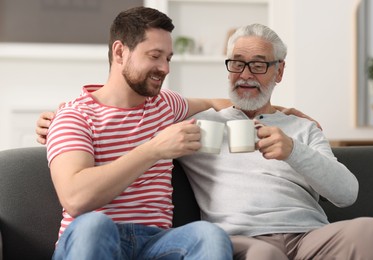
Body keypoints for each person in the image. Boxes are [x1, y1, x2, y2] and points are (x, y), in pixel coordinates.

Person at [176, 23, 373, 259]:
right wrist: (213, 104)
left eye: (258, 65)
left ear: (279, 72)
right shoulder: (203, 126)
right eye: (237, 64)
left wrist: (292, 151)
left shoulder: (303, 128)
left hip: (310, 237)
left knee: (370, 230)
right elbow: (151, 109)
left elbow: (346, 193)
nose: (246, 75)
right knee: (264, 254)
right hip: (244, 239)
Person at [43, 6, 234, 259]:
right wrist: (154, 149)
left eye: (168, 58)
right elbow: (75, 197)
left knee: (209, 235)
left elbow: (217, 103)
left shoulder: (165, 105)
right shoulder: (75, 116)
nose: (165, 68)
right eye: (155, 56)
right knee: (93, 225)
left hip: (156, 243)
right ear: (120, 52)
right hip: (96, 240)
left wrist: (282, 111)